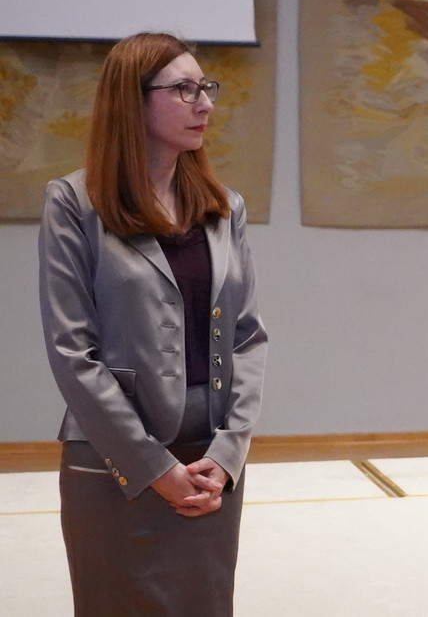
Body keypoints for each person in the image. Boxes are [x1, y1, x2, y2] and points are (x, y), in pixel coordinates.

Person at [38, 32, 268, 616]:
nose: (205, 102)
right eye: (184, 89)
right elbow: (72, 352)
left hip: (209, 462)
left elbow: (247, 337)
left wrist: (229, 454)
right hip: (115, 459)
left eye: (206, 87)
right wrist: (153, 467)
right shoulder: (74, 203)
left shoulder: (225, 207)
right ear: (132, 100)